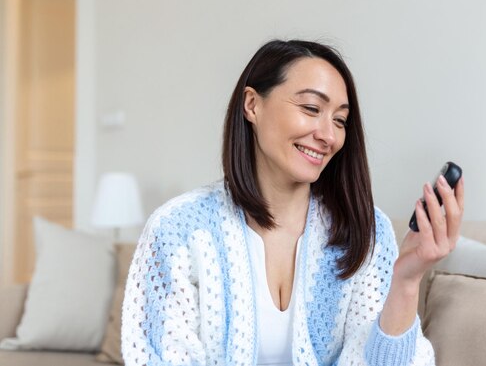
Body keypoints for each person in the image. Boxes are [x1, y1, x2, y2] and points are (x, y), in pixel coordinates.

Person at [121, 39, 464, 366]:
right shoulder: (178, 230)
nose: (328, 135)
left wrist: (405, 281)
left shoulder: (365, 232)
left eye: (340, 120)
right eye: (311, 108)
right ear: (252, 105)